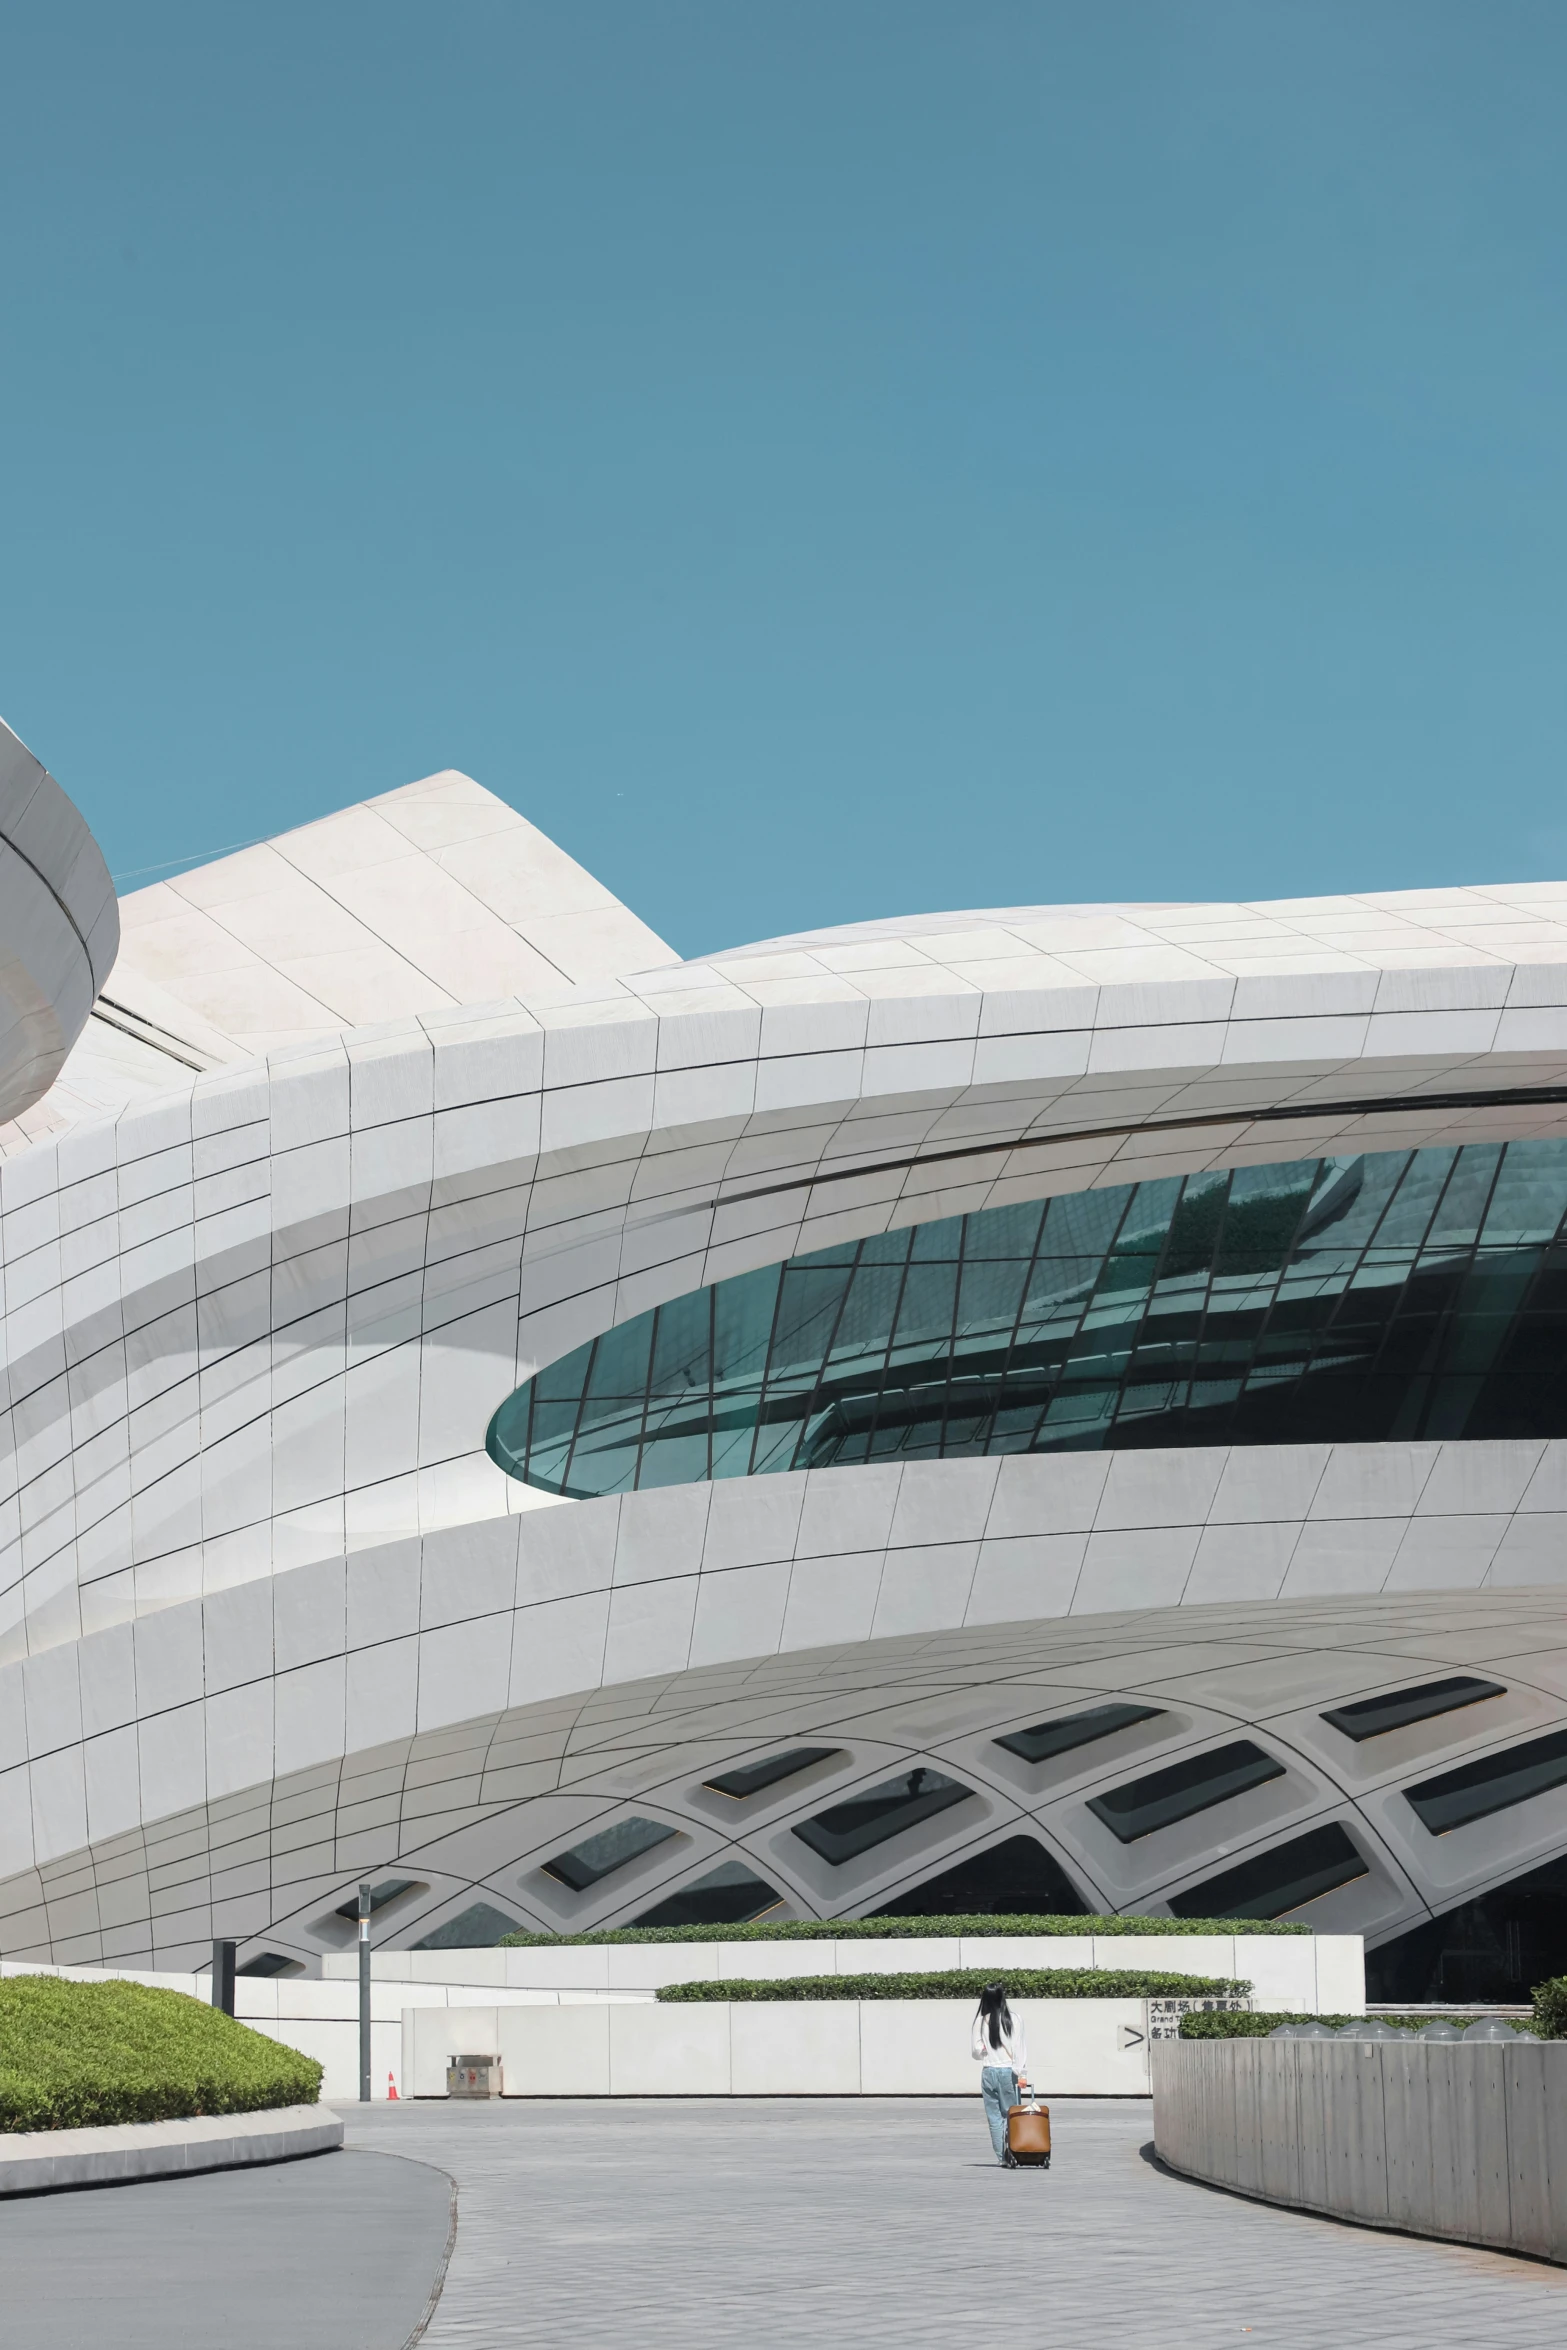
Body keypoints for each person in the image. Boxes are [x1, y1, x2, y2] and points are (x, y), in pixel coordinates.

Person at [972, 1981, 1030, 2165]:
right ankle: (1013, 2151)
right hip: (1008, 2072)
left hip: (988, 2072)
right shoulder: (1015, 2019)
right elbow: (1019, 2049)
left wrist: (985, 2050)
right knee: (1012, 2114)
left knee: (994, 2118)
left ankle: (1002, 2158)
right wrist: (1022, 2074)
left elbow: (976, 2051)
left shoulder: (980, 2021)